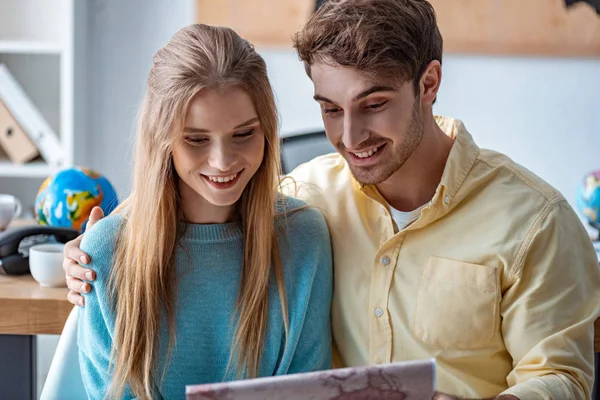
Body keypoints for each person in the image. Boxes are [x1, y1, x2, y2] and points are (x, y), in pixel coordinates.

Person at [64, 0, 600, 399]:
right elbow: (204, 188)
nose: (350, 136)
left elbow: (562, 378)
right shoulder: (310, 197)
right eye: (330, 109)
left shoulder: (535, 221)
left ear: (429, 82)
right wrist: (96, 244)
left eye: (374, 103)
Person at [72, 24, 333, 400]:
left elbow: (307, 390)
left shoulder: (305, 239)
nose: (222, 161)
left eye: (244, 134)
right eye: (196, 139)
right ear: (162, 139)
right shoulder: (106, 252)